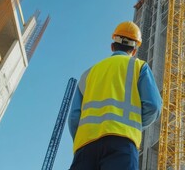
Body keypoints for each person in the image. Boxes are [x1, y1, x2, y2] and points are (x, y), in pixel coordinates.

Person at [68, 21, 162, 170]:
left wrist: (82, 140)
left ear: (112, 46)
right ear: (135, 49)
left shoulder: (88, 74)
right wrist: (133, 124)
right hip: (122, 144)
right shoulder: (139, 66)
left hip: (84, 148)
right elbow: (154, 106)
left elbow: (74, 117)